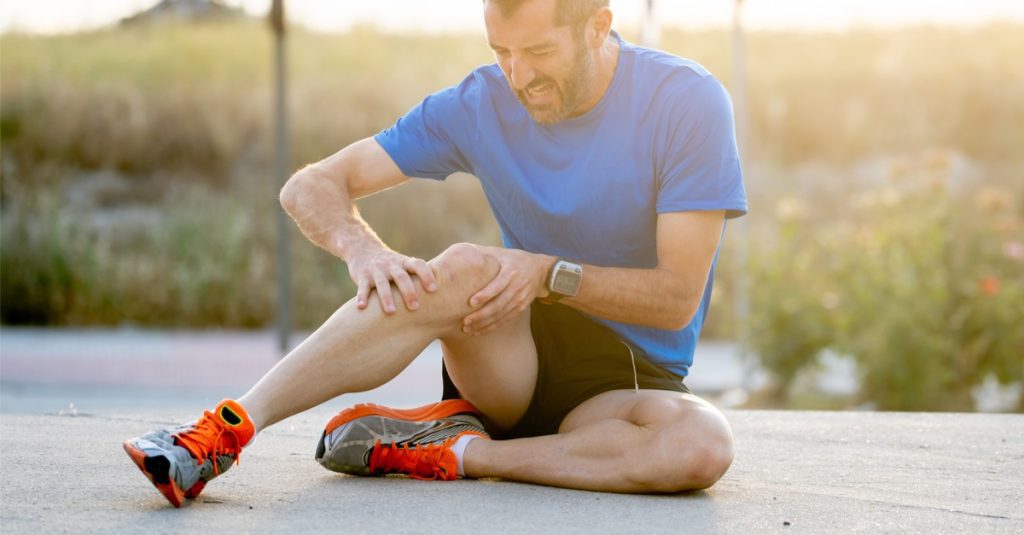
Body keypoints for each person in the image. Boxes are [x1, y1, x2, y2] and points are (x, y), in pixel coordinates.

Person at [123, 0, 747, 507]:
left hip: (624, 385)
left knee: (701, 445)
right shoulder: (480, 101)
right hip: (510, 359)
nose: (519, 77)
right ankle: (219, 435)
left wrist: (546, 273)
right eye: (502, 53)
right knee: (470, 264)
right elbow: (309, 186)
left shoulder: (685, 102)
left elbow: (674, 300)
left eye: (538, 53)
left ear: (598, 26)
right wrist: (362, 250)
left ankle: (451, 450)